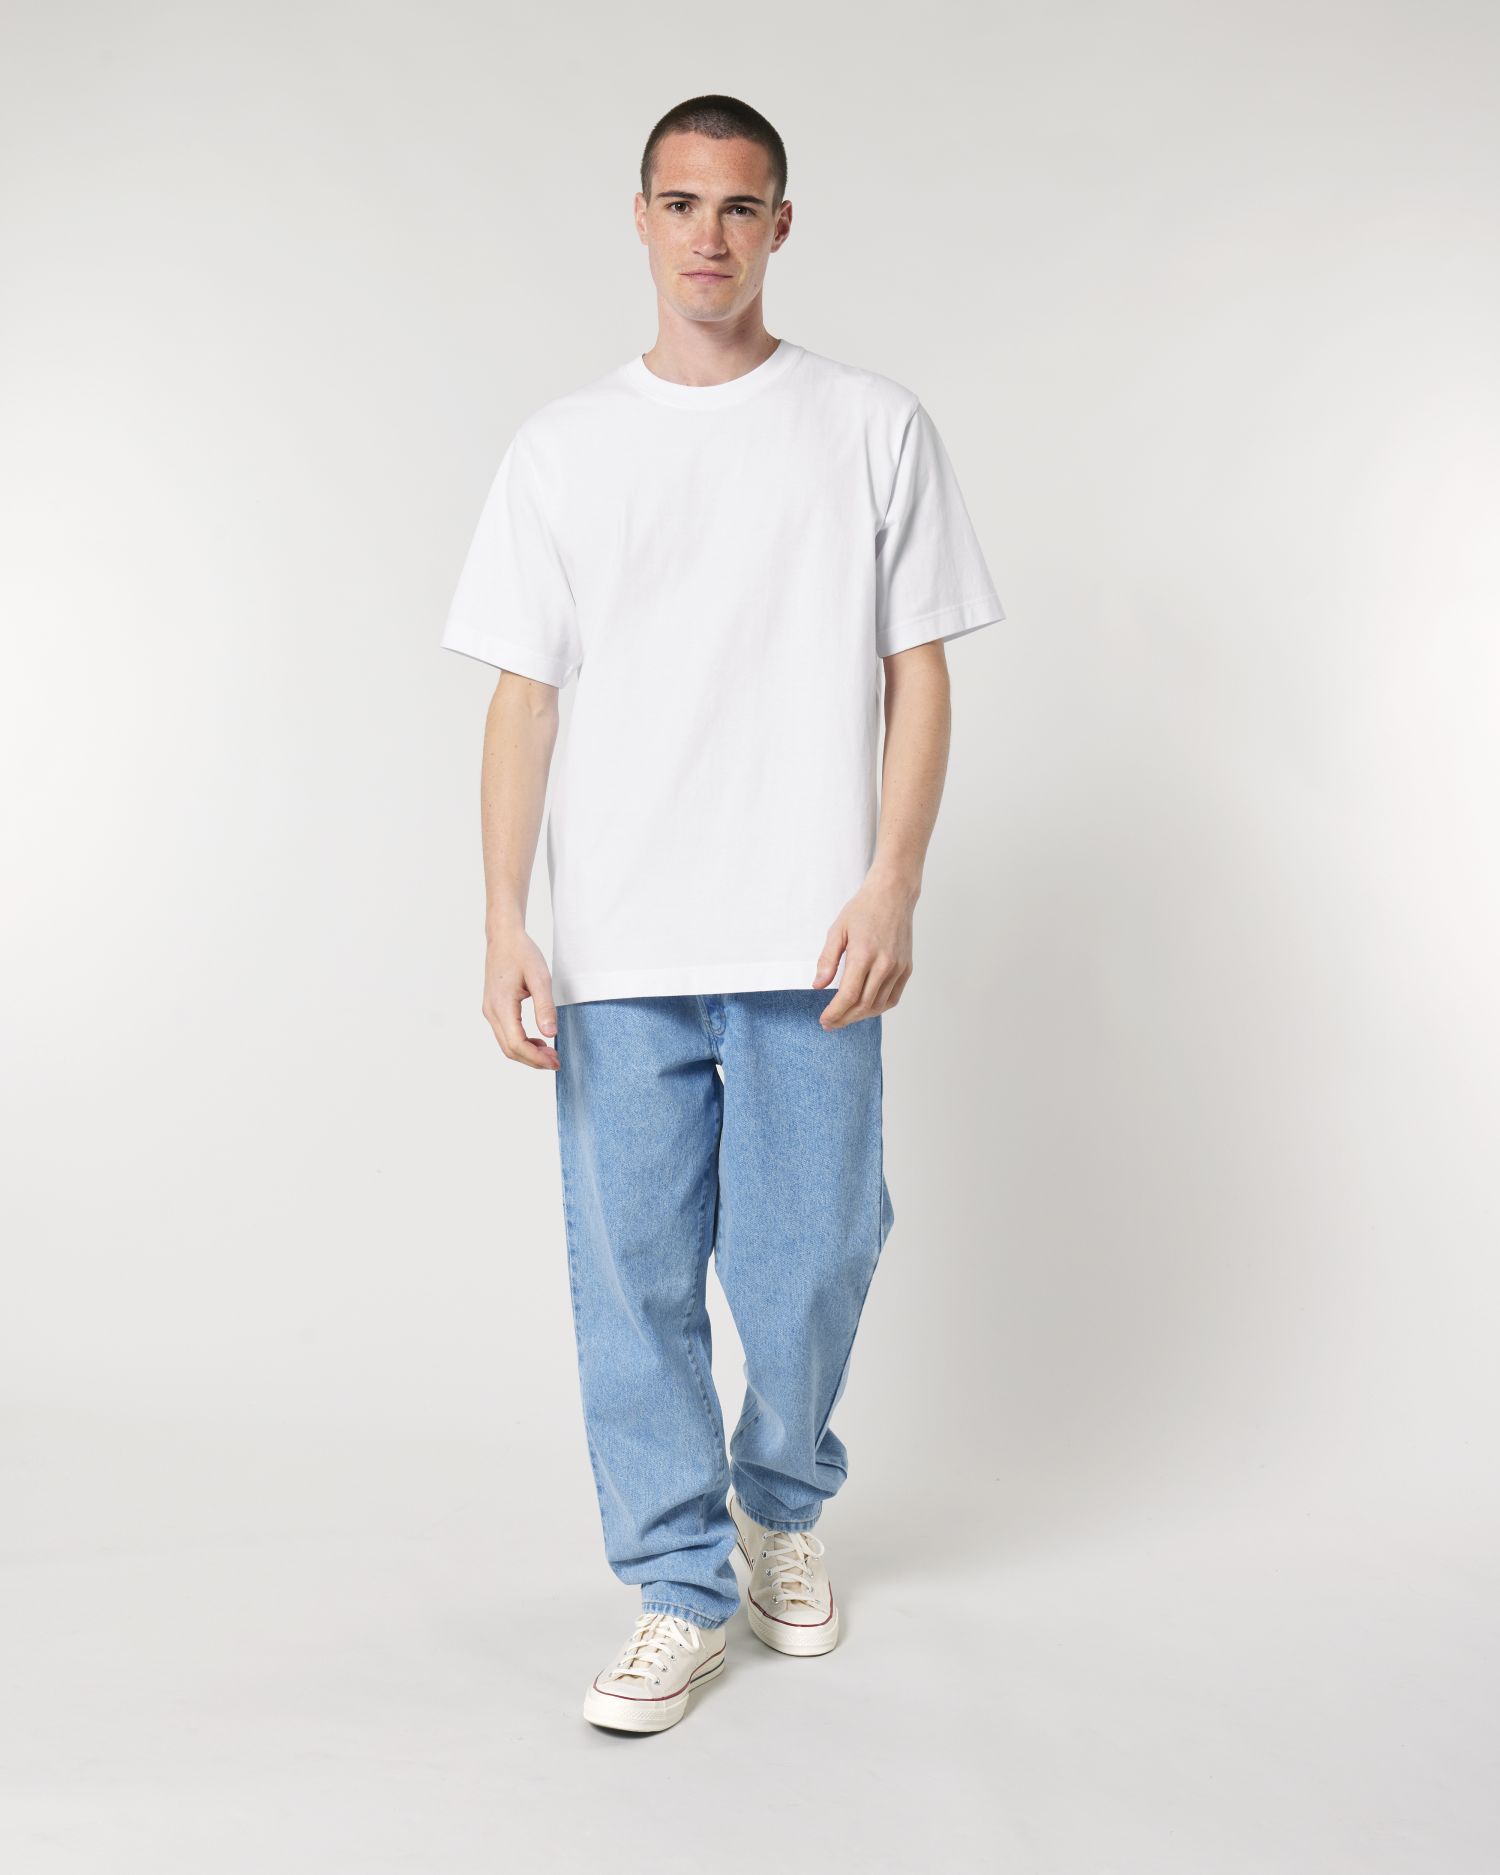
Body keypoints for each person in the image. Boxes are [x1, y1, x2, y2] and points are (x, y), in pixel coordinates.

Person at [440, 94, 1006, 1734]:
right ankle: (678, 1587)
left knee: (815, 1253)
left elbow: (917, 672)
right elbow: (523, 697)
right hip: (618, 942)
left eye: (739, 207)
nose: (709, 235)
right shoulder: (562, 448)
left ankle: (779, 1497)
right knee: (632, 1279)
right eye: (681, 203)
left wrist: (894, 878)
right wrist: (503, 917)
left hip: (810, 932)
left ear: (780, 226)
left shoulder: (869, 425)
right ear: (640, 218)